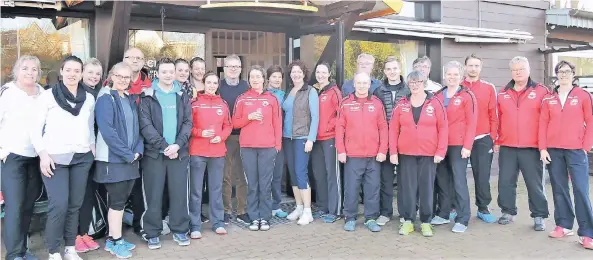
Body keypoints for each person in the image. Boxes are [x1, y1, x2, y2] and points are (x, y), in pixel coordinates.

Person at [30, 55, 96, 260]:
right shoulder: (48, 97)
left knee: (75, 204)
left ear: (82, 73)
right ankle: (53, 251)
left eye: (77, 70)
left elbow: (89, 125)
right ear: (61, 72)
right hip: (54, 159)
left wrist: (92, 147)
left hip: (81, 157)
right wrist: (42, 154)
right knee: (59, 204)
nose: (72, 74)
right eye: (68, 70)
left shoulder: (89, 98)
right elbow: (34, 129)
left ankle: (70, 248)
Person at [139, 57, 192, 249]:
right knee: (154, 194)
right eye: (164, 72)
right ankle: (152, 231)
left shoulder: (182, 94)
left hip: (178, 153)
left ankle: (179, 229)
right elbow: (145, 125)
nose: (168, 75)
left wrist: (177, 145)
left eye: (171, 71)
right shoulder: (148, 95)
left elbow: (188, 122)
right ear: (157, 73)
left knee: (179, 194)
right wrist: (163, 146)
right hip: (155, 154)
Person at [539, 60, 593, 249]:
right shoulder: (548, 98)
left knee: (580, 190)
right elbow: (543, 124)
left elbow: (591, 120)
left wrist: (585, 146)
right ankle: (563, 224)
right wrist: (543, 148)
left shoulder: (583, 95)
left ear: (573, 74)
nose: (563, 75)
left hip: (576, 150)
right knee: (559, 188)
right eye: (560, 72)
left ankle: (587, 233)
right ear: (556, 75)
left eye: (567, 71)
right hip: (554, 150)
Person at [94, 62, 144, 258]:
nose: (123, 80)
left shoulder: (129, 98)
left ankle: (115, 238)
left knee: (121, 202)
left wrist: (137, 151)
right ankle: (114, 241)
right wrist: (127, 154)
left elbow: (137, 129)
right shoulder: (106, 98)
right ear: (111, 76)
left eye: (127, 76)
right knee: (117, 202)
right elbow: (108, 132)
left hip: (130, 160)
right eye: (119, 76)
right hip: (113, 161)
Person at [389, 71, 447, 237]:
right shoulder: (401, 104)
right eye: (412, 82)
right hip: (406, 153)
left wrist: (440, 151)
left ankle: (426, 221)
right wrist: (393, 151)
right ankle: (408, 220)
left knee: (427, 188)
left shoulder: (435, 102)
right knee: (407, 188)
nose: (415, 85)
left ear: (425, 82)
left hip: (429, 154)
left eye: (418, 82)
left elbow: (443, 128)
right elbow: (393, 129)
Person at [495, 56, 549, 231]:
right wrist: (497, 139)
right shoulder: (503, 92)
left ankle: (539, 215)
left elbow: (547, 120)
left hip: (531, 147)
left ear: (529, 70)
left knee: (534, 183)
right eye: (515, 70)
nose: (518, 72)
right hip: (508, 145)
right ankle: (507, 211)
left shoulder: (542, 91)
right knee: (505, 181)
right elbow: (497, 119)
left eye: (521, 69)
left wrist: (543, 146)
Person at [0, 55, 44, 260]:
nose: (29, 72)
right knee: (14, 206)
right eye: (25, 68)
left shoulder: (42, 93)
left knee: (28, 205)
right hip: (13, 158)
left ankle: (23, 250)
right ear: (16, 70)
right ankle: (14, 254)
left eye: (34, 69)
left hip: (35, 157)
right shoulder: (8, 93)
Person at [337, 72, 388, 232]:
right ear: (354, 84)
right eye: (359, 83)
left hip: (374, 155)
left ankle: (370, 218)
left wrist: (382, 150)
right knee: (351, 188)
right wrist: (341, 150)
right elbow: (340, 128)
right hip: (352, 155)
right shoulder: (345, 103)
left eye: (365, 83)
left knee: (372, 188)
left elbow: (383, 128)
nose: (361, 86)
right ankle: (350, 217)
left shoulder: (377, 103)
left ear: (369, 85)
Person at [232, 65, 282, 231]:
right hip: (248, 147)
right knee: (252, 184)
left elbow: (277, 123)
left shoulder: (272, 99)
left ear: (263, 79)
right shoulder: (242, 99)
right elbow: (235, 122)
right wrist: (249, 117)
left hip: (268, 147)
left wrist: (277, 145)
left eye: (258, 77)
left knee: (265, 184)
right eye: (252, 77)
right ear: (249, 79)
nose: (255, 79)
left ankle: (265, 217)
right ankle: (254, 217)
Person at [432, 61, 477, 233]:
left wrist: (467, 146)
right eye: (449, 74)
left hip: (458, 145)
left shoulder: (467, 95)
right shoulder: (437, 94)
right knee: (442, 181)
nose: (452, 77)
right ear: (445, 75)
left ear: (461, 76)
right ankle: (443, 214)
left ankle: (463, 218)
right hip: (440, 146)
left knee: (459, 181)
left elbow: (472, 123)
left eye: (455, 75)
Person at [188, 72, 231, 238]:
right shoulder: (194, 103)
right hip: (198, 151)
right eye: (209, 82)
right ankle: (195, 225)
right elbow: (188, 126)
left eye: (215, 83)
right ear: (203, 84)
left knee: (216, 188)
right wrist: (200, 133)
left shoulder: (223, 104)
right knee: (196, 190)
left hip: (217, 152)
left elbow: (228, 125)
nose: (212, 86)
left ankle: (218, 222)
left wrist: (221, 136)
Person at [461, 54, 498, 223]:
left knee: (482, 175)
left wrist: (493, 137)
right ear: (465, 67)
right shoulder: (458, 86)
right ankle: (456, 206)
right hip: (460, 139)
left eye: (476, 66)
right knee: (457, 174)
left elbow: (494, 114)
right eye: (470, 65)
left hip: (482, 138)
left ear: (480, 68)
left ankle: (483, 208)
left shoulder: (489, 88)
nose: (473, 69)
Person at [372, 56, 409, 226]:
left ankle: (405, 213)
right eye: (388, 69)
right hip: (385, 143)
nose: (392, 72)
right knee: (385, 180)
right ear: (385, 71)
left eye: (394, 68)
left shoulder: (409, 89)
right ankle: (385, 212)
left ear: (399, 69)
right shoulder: (378, 91)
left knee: (404, 180)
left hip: (404, 141)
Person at [283, 60, 319, 226]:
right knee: (293, 173)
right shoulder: (289, 91)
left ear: (304, 74)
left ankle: (307, 211)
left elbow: (315, 117)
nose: (295, 74)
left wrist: (310, 139)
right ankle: (298, 207)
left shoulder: (310, 91)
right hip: (287, 138)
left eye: (298, 72)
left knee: (301, 172)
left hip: (302, 138)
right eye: (293, 72)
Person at [121, 47, 152, 239]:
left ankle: (139, 222)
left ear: (143, 62)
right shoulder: (114, 82)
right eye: (130, 57)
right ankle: (114, 226)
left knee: (141, 185)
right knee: (121, 185)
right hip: (121, 145)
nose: (134, 60)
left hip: (145, 143)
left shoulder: (150, 85)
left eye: (139, 58)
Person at [75, 58, 104, 254]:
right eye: (90, 72)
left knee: (88, 193)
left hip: (97, 152)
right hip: (79, 152)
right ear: (82, 73)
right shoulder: (76, 93)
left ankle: (86, 232)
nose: (94, 76)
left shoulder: (100, 93)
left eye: (97, 74)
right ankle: (76, 235)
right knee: (78, 195)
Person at [218, 54, 250, 224]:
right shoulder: (218, 86)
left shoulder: (246, 86)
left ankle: (242, 210)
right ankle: (226, 210)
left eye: (236, 67)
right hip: (225, 137)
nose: (233, 69)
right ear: (224, 68)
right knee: (226, 175)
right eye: (230, 66)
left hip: (244, 136)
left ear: (240, 69)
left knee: (242, 175)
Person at [311, 62, 342, 223]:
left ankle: (335, 210)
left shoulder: (334, 91)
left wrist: (328, 127)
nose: (320, 75)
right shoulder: (315, 91)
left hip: (330, 139)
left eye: (324, 72)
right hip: (316, 140)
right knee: (319, 174)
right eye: (318, 72)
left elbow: (341, 115)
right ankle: (322, 207)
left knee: (332, 175)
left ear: (329, 74)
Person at [266, 65, 288, 218]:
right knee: (265, 175)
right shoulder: (263, 95)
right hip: (265, 139)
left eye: (279, 77)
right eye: (274, 76)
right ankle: (265, 204)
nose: (277, 79)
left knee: (277, 174)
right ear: (268, 78)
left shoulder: (284, 95)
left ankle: (276, 205)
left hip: (280, 139)